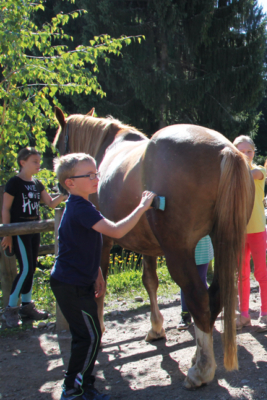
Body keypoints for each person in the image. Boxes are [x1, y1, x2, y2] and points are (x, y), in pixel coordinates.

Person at [50, 153, 155, 400]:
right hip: (71, 285)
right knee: (90, 336)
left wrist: (97, 272)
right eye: (89, 175)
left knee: (88, 335)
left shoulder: (82, 206)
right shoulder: (80, 208)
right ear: (70, 183)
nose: (96, 178)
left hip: (78, 281)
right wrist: (142, 207)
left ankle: (82, 386)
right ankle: (74, 389)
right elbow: (116, 231)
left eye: (96, 173)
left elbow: (83, 244)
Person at [1, 147, 67, 328]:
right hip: (18, 231)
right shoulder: (14, 183)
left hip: (34, 230)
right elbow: (6, 208)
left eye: (39, 162)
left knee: (30, 268)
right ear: (23, 162)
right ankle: (10, 309)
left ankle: (27, 306)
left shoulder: (37, 184)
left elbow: (51, 203)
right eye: (35, 162)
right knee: (26, 269)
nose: (39, 165)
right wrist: (7, 233)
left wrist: (65, 194)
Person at [233, 135, 267, 332]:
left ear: (254, 153)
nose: (246, 155)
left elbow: (251, 174)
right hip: (239, 232)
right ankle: (244, 315)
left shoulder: (260, 172)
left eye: (249, 151)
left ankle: (265, 314)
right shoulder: (231, 174)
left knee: (260, 273)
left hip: (257, 231)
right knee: (242, 275)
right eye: (241, 151)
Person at [177, 235, 214, 330]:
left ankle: (206, 311)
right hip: (185, 248)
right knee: (185, 283)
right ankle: (186, 315)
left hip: (202, 248)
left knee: (201, 281)